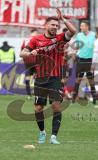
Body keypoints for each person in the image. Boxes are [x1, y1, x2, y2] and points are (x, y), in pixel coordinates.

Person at [20, 9, 76, 144]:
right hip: (41, 77)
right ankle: (42, 132)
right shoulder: (36, 39)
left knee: (56, 106)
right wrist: (30, 53)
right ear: (46, 25)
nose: (55, 27)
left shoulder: (60, 38)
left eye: (57, 26)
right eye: (53, 25)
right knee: (38, 108)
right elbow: (22, 53)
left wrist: (63, 19)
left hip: (56, 77)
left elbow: (73, 31)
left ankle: (53, 137)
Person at [73, 21, 97, 104]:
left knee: (91, 80)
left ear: (87, 27)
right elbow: (77, 46)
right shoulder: (79, 35)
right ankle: (73, 98)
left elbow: (97, 46)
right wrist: (75, 53)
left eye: (82, 26)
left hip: (90, 60)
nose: (80, 27)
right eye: (80, 26)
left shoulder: (94, 35)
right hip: (81, 59)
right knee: (78, 79)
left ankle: (94, 98)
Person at [21, 29, 39, 99]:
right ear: (35, 33)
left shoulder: (25, 40)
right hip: (36, 61)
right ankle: (37, 94)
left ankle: (28, 94)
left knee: (27, 78)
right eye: (36, 32)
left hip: (28, 62)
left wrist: (24, 59)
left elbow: (22, 51)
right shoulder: (38, 40)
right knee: (37, 78)